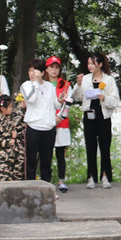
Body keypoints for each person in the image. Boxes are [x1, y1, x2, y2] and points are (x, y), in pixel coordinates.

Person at [79, 52, 120, 189]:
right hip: (89, 115)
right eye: (89, 63)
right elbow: (78, 97)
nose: (90, 66)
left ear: (100, 64)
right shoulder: (85, 79)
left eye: (93, 63)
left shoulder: (109, 80)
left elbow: (115, 100)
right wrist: (78, 85)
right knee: (90, 147)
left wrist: (104, 98)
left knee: (104, 147)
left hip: (104, 117)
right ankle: (91, 177)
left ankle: (105, 176)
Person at [21, 60, 60, 184]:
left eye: (35, 71)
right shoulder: (26, 85)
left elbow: (56, 104)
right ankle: (30, 188)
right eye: (30, 71)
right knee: (31, 160)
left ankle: (47, 188)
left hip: (48, 127)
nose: (32, 74)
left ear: (43, 72)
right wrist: (36, 84)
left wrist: (61, 100)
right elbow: (31, 99)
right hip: (33, 127)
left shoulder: (49, 86)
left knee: (46, 161)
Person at [0, 90, 28, 181]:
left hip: (14, 154)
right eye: (10, 107)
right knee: (3, 179)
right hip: (2, 156)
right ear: (3, 109)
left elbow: (19, 120)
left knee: (17, 178)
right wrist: (9, 141)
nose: (12, 109)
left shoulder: (11, 118)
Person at [48, 57, 73, 192]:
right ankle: (44, 180)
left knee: (60, 153)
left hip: (61, 122)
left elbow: (68, 102)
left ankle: (61, 181)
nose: (54, 70)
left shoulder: (65, 84)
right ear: (46, 69)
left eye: (56, 67)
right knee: (45, 153)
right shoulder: (43, 84)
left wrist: (59, 116)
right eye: (52, 67)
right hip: (45, 122)